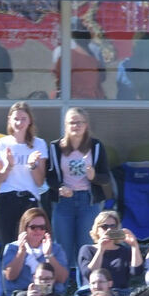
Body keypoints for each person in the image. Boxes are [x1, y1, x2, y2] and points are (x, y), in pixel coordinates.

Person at [46, 107, 113, 263]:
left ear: (86, 125)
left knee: (87, 248)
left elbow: (106, 177)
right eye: (72, 122)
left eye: (80, 122)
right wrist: (59, 187)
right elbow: (49, 177)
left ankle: (85, 279)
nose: (76, 126)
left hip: (88, 202)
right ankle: (65, 279)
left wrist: (94, 176)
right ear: (66, 125)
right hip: (63, 203)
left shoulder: (96, 146)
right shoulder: (55, 147)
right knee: (63, 249)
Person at [0, 101, 48, 247]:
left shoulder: (39, 144)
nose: (19, 123)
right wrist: (8, 166)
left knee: (30, 245)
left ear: (29, 121)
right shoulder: (1, 144)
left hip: (29, 199)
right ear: (9, 120)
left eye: (23, 119)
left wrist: (33, 165)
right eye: (16, 119)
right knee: (8, 246)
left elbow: (40, 182)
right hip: (7, 199)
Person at [2, 207, 69, 296]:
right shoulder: (13, 248)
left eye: (42, 227)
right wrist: (21, 252)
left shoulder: (56, 249)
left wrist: (49, 255)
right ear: (25, 228)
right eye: (33, 227)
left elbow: (62, 279)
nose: (38, 231)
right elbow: (10, 276)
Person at [77, 210, 142, 292]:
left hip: (119, 294)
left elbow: (136, 272)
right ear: (97, 230)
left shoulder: (124, 251)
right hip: (93, 293)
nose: (109, 230)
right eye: (104, 227)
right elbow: (89, 274)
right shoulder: (87, 249)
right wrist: (101, 249)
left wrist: (134, 245)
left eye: (113, 226)